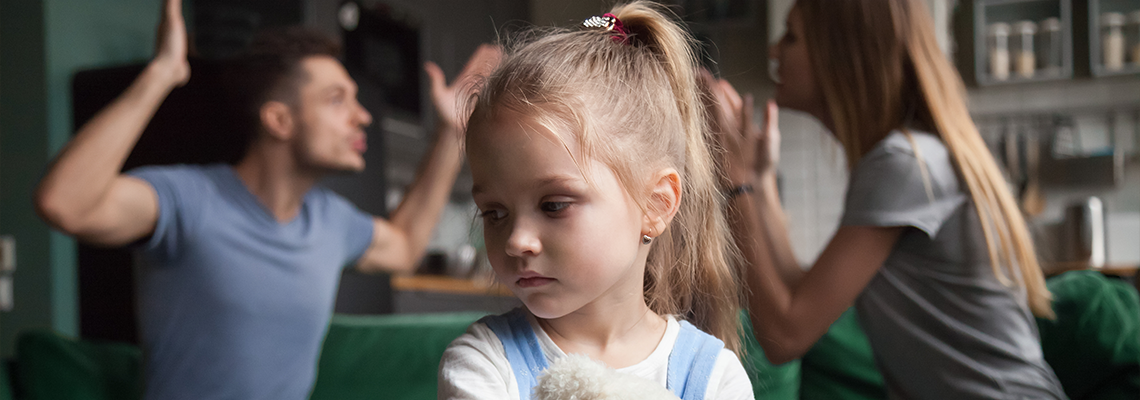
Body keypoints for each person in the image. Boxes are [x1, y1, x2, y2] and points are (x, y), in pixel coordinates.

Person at [33, 0, 500, 399]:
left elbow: (403, 246)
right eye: (337, 100)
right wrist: (161, 73)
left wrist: (450, 134)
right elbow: (66, 204)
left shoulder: (330, 221)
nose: (362, 117)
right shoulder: (189, 200)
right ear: (279, 120)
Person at [704, 0, 1067, 398]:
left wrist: (735, 179)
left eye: (791, 37)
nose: (774, 51)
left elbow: (785, 336)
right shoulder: (905, 157)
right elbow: (797, 289)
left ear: (843, 56)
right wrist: (759, 175)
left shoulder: (903, 164)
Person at [437, 2, 753, 400]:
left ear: (656, 205)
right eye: (494, 212)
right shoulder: (483, 363)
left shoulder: (715, 377)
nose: (516, 241)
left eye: (553, 205)